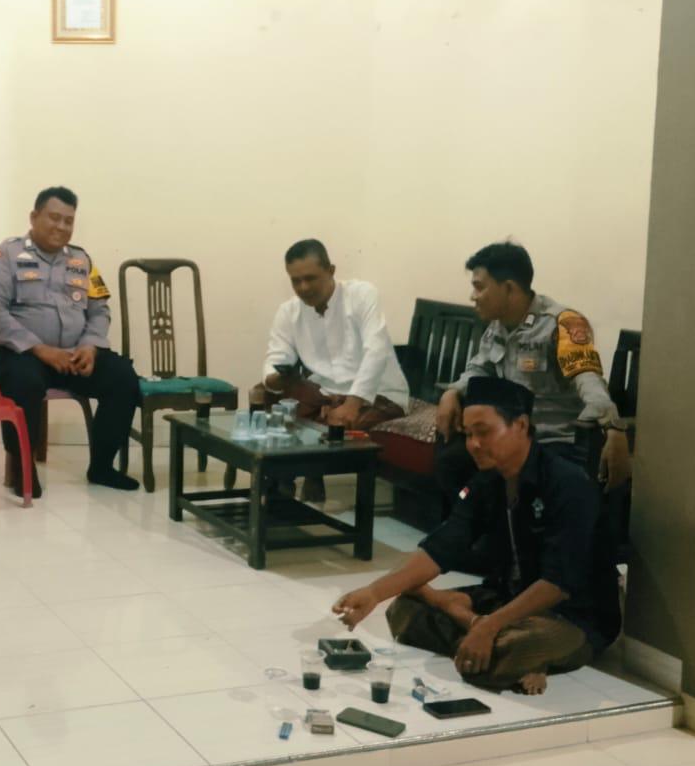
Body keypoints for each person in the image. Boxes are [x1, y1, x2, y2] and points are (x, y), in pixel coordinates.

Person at [332, 377, 621, 694]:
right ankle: (484, 635)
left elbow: (557, 584)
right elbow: (441, 547)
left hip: (572, 616)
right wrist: (374, 593)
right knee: (404, 608)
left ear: (521, 425)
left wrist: (489, 624)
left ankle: (495, 640)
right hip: (505, 597)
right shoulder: (487, 481)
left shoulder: (567, 483)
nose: (473, 444)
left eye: (483, 432)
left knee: (511, 648)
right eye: (468, 434)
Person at [0, 186, 142, 496]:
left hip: (73, 356)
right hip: (23, 354)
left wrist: (90, 345)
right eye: (54, 218)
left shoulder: (82, 260)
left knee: (122, 376)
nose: (61, 226)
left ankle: (102, 467)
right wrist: (40, 349)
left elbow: (100, 310)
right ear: (34, 217)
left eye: (68, 220)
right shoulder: (4, 256)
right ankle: (23, 470)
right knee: (24, 382)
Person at [433, 241, 630, 498]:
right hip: (513, 436)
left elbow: (588, 379)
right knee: (451, 460)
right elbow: (480, 367)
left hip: (555, 442)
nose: (473, 296)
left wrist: (612, 425)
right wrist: (453, 391)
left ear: (509, 288)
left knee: (495, 475)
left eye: (479, 287)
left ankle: (495, 518)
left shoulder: (563, 323)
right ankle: (466, 517)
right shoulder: (498, 326)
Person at [259, 239, 411, 503]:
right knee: (269, 401)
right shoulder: (289, 311)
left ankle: (307, 475)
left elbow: (376, 351)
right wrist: (276, 378)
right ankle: (280, 488)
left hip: (377, 394)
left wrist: (353, 402)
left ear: (331, 271)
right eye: (296, 281)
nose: (303, 288)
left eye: (310, 278)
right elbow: (276, 357)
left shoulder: (362, 295)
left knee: (334, 427)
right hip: (325, 393)